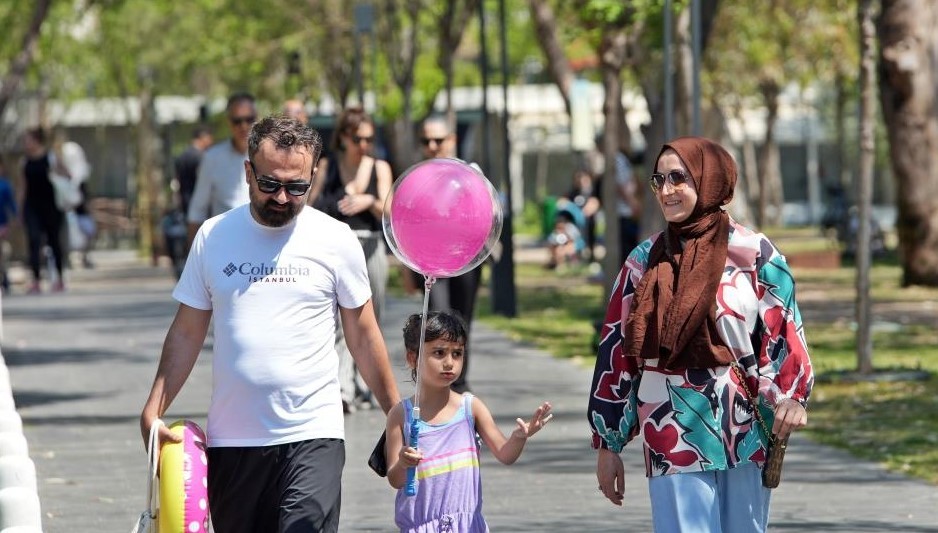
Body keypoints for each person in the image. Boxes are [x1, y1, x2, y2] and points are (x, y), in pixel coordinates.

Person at [140, 115, 401, 532]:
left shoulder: (335, 239)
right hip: (234, 442)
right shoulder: (213, 236)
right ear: (248, 172)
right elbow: (187, 332)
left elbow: (363, 334)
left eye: (296, 187)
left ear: (312, 177)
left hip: (313, 432)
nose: (282, 197)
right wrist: (153, 410)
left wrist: (395, 412)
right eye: (269, 183)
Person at [588, 136, 814, 532]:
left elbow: (784, 332)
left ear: (710, 180)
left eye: (679, 177)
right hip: (671, 431)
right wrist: (608, 443)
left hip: (745, 430)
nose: (667, 190)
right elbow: (616, 355)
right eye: (659, 180)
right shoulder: (643, 262)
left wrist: (792, 396)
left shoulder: (754, 253)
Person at [385, 311, 552, 532]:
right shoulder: (400, 415)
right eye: (439, 352)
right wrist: (404, 463)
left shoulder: (470, 407)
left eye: (457, 353)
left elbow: (505, 453)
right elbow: (395, 479)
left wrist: (520, 437)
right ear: (412, 358)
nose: (449, 363)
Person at [309, 105, 393, 412]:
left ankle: (366, 386)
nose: (364, 145)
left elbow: (389, 210)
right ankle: (343, 388)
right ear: (344, 137)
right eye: (358, 139)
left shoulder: (379, 167)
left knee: (371, 320)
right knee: (340, 323)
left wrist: (369, 200)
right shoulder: (328, 166)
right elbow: (310, 206)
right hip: (336, 250)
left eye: (369, 139)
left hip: (370, 247)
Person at [412, 115, 483, 394]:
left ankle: (460, 387)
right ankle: (439, 385)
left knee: (462, 322)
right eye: (426, 140)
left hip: (466, 259)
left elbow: (484, 213)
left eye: (438, 140)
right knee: (438, 321)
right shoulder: (417, 177)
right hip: (432, 263)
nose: (432, 146)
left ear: (452, 140)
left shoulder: (470, 172)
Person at [186, 92, 257, 246]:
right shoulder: (212, 157)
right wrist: (191, 252)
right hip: (224, 242)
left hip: (261, 240)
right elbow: (198, 208)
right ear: (229, 122)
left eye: (249, 119)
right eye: (237, 121)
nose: (243, 126)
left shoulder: (267, 155)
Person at [17, 128, 67, 294]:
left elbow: (67, 174)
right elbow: (23, 187)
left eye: (28, 140)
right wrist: (20, 209)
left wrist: (58, 174)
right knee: (34, 240)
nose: (26, 144)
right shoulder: (24, 162)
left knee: (54, 241)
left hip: (51, 206)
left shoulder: (51, 157)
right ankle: (36, 280)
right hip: (32, 207)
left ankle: (59, 279)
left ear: (37, 141)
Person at [558, 168, 601, 262]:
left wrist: (590, 207)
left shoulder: (592, 193)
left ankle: (589, 257)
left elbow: (595, 204)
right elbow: (563, 202)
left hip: (587, 224)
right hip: (574, 224)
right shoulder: (573, 193)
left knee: (586, 240)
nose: (581, 182)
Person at [172, 124, 214, 218]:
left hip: (185, 202)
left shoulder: (182, 156)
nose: (211, 142)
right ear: (203, 138)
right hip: (198, 205)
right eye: (209, 138)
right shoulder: (200, 157)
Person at [0, 158, 18, 293]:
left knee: (1, 251)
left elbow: (11, 203)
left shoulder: (4, 185)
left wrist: (16, 216)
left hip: (2, 223)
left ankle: (4, 276)